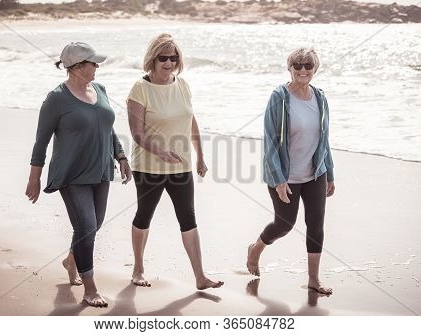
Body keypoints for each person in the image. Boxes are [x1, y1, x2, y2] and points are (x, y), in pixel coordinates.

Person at [25, 42, 132, 307]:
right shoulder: (56, 99)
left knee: (93, 226)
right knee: (85, 227)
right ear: (76, 67)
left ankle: (71, 260)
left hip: (101, 170)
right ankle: (90, 287)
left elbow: (108, 129)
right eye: (93, 63)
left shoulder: (100, 89)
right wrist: (34, 177)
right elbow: (41, 141)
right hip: (71, 175)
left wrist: (121, 156)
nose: (97, 67)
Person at [126, 33, 223, 290]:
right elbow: (137, 133)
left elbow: (191, 121)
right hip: (148, 167)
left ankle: (200, 277)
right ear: (153, 59)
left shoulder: (183, 85)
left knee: (188, 218)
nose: (169, 63)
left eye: (173, 57)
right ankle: (138, 269)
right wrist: (160, 152)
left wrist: (200, 155)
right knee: (144, 215)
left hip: (181, 165)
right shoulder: (140, 89)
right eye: (163, 58)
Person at [247, 47, 335, 295]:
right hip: (285, 176)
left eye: (308, 66)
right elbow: (271, 141)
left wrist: (329, 172)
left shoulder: (320, 98)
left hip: (315, 173)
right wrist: (278, 179)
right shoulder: (279, 97)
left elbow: (324, 138)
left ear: (315, 69)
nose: (303, 70)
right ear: (290, 68)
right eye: (298, 65)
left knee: (316, 224)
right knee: (284, 224)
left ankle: (314, 280)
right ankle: (255, 249)